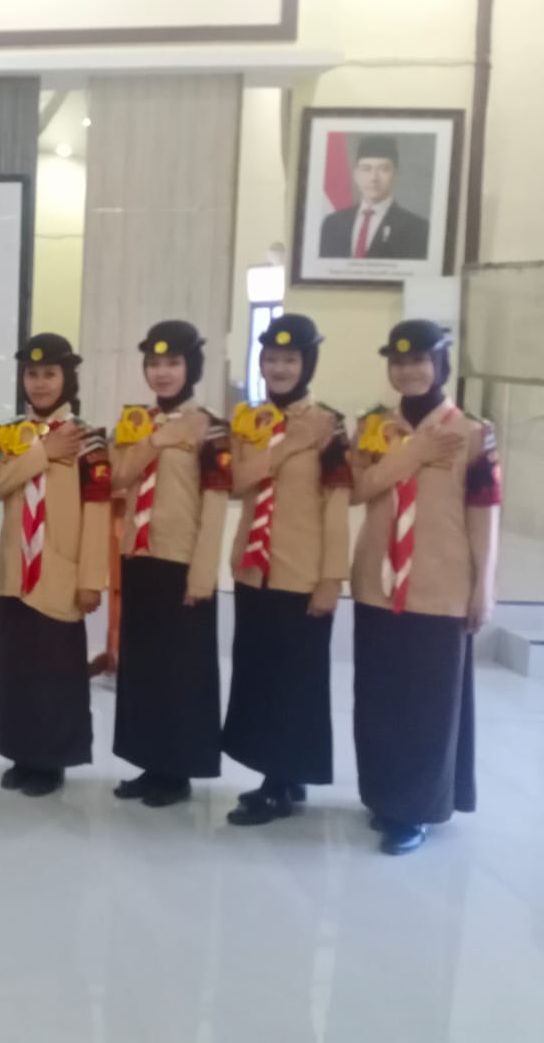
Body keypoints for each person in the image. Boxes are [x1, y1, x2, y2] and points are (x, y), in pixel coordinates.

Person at [349, 319, 499, 855]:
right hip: (377, 581)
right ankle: (383, 796)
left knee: (428, 703)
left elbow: (484, 512)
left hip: (440, 584)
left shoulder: (473, 433)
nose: (408, 370)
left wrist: (483, 587)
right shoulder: (373, 427)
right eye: (398, 361)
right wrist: (412, 454)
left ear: (439, 365)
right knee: (378, 698)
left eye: (419, 360)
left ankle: (414, 810)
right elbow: (357, 489)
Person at [219, 314, 351, 825]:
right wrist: (290, 444)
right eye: (271, 358)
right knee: (260, 677)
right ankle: (281, 774)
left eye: (290, 359)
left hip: (302, 574)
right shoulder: (248, 421)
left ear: (307, 363)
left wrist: (331, 579)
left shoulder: (330, 425)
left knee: (297, 683)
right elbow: (237, 482)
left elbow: (336, 507)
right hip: (255, 570)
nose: (278, 368)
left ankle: (281, 785)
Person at [109, 320, 232, 808]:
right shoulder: (135, 422)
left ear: (191, 367)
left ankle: (177, 771)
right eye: (154, 363)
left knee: (182, 672)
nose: (162, 373)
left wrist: (203, 574)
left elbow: (216, 505)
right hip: (140, 558)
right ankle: (148, 762)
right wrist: (156, 441)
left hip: (183, 566)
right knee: (144, 668)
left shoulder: (211, 427)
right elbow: (117, 477)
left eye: (173, 363)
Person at [0, 333, 109, 798]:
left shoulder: (89, 439)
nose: (39, 383)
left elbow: (98, 513)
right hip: (15, 573)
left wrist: (91, 579)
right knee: (17, 669)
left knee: (57, 674)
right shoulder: (5, 433)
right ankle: (21, 754)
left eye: (49, 374)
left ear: (67, 378)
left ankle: (52, 761)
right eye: (32, 374)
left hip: (60, 574)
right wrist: (42, 452)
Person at [318, 135, 430, 261]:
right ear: (356, 174)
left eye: (383, 169)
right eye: (366, 169)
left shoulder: (417, 229)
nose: (373, 178)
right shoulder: (332, 223)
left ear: (396, 174)